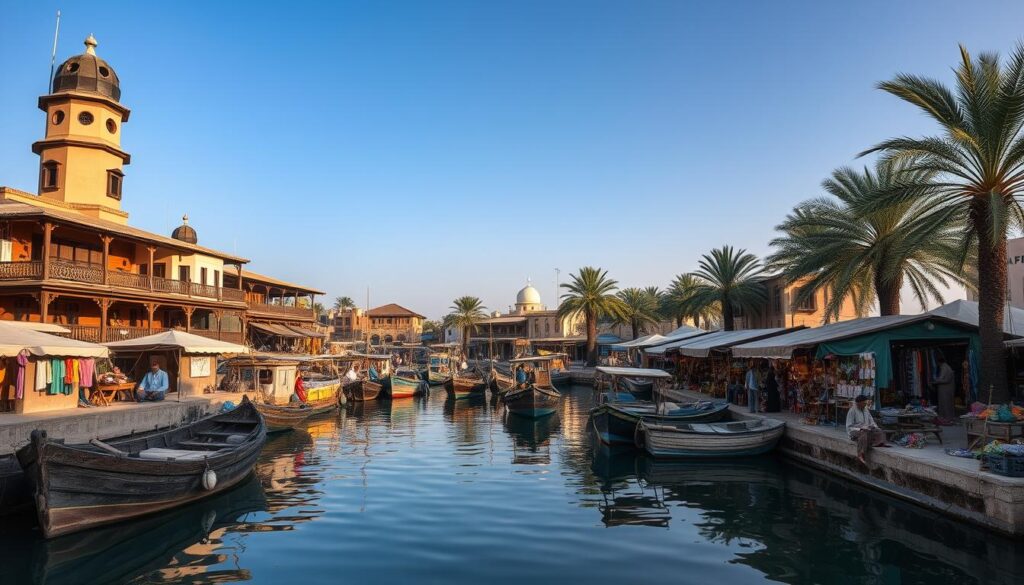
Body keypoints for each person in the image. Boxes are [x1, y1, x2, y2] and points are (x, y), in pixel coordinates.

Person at [846, 394, 887, 464]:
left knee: (879, 431)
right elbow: (849, 426)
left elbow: (871, 420)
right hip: (854, 430)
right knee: (863, 433)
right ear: (859, 403)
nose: (865, 404)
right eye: (864, 403)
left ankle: (876, 443)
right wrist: (860, 429)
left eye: (866, 403)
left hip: (866, 428)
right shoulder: (852, 411)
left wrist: (874, 427)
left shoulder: (865, 409)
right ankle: (861, 453)